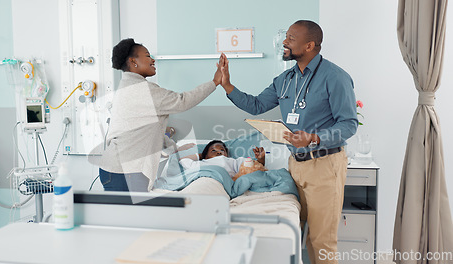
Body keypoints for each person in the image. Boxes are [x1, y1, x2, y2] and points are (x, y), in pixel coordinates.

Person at [220, 20, 358, 264]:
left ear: (309, 45)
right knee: (301, 234)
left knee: (322, 240)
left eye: (291, 38)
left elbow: (348, 124)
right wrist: (228, 85)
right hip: (296, 166)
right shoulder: (285, 79)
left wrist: (314, 138)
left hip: (325, 165)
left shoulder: (335, 77)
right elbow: (257, 105)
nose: (285, 42)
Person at [100, 38, 225, 192]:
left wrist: (174, 148)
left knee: (127, 214)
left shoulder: (129, 87)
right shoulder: (141, 90)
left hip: (117, 169)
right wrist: (215, 82)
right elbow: (182, 101)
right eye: (147, 56)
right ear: (133, 62)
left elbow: (147, 130)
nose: (152, 59)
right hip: (124, 171)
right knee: (130, 214)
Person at [179, 140, 265, 181]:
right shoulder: (202, 163)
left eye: (222, 150)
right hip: (205, 180)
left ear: (226, 154)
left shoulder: (232, 161)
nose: (219, 152)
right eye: (213, 150)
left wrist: (261, 159)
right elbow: (183, 160)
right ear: (206, 156)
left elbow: (253, 167)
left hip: (224, 183)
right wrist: (201, 155)